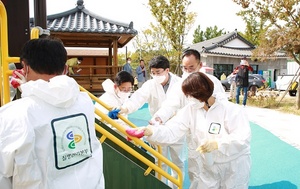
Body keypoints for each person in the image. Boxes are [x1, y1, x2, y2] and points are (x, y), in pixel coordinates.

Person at [0, 38, 105, 188]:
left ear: (25, 67)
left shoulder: (13, 114)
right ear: (65, 68)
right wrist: (29, 88)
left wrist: (29, 88)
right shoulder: (84, 101)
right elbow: (52, 94)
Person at [127, 72, 251, 189]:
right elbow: (172, 130)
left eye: (192, 95)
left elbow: (242, 137)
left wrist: (218, 144)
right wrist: (151, 131)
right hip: (209, 166)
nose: (189, 99)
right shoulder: (191, 110)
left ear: (203, 93)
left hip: (233, 167)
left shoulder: (231, 110)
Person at [152, 49, 227, 188]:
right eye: (185, 68)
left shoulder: (213, 82)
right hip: (193, 134)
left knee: (215, 171)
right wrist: (159, 117)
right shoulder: (181, 84)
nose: (188, 71)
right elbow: (170, 105)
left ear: (200, 65)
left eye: (191, 67)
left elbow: (224, 107)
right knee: (195, 171)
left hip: (215, 134)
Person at [108, 55, 183, 188]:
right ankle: (160, 186)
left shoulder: (179, 83)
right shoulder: (150, 85)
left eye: (158, 73)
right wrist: (124, 108)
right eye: (153, 73)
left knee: (178, 162)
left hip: (176, 126)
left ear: (167, 70)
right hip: (156, 127)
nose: (155, 76)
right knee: (160, 161)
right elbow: (137, 98)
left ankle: (175, 187)